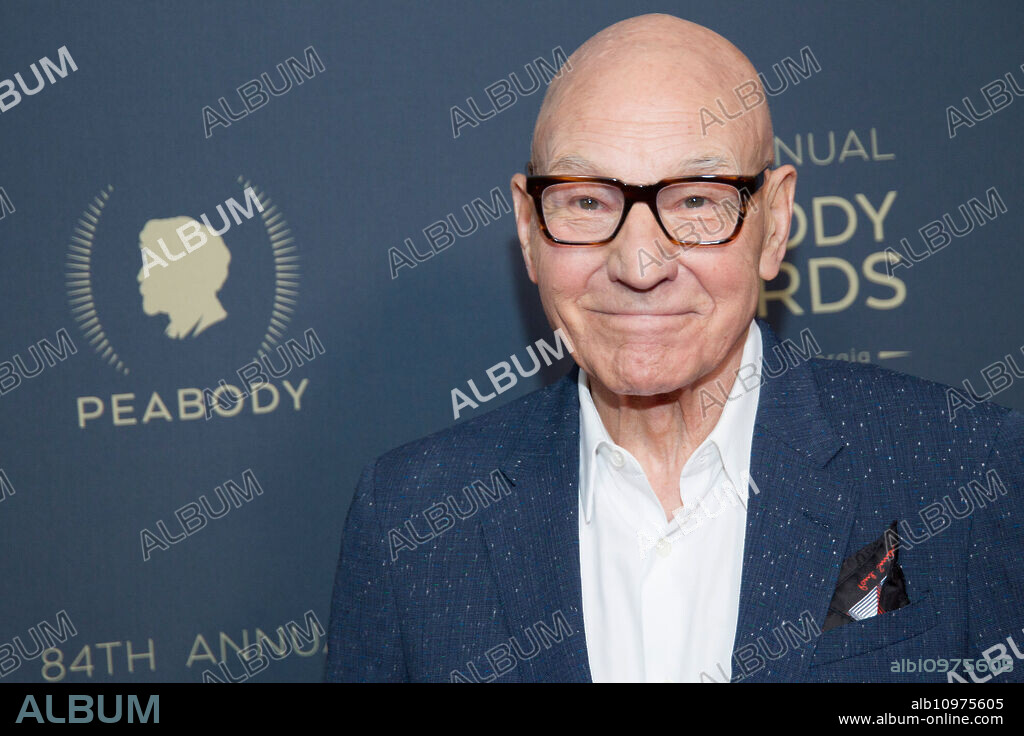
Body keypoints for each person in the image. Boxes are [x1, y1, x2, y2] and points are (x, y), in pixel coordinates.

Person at [326, 13, 1024, 682]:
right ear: (530, 228)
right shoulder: (412, 519)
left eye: (695, 200)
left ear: (774, 224)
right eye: (587, 201)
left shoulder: (967, 468)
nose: (638, 264)